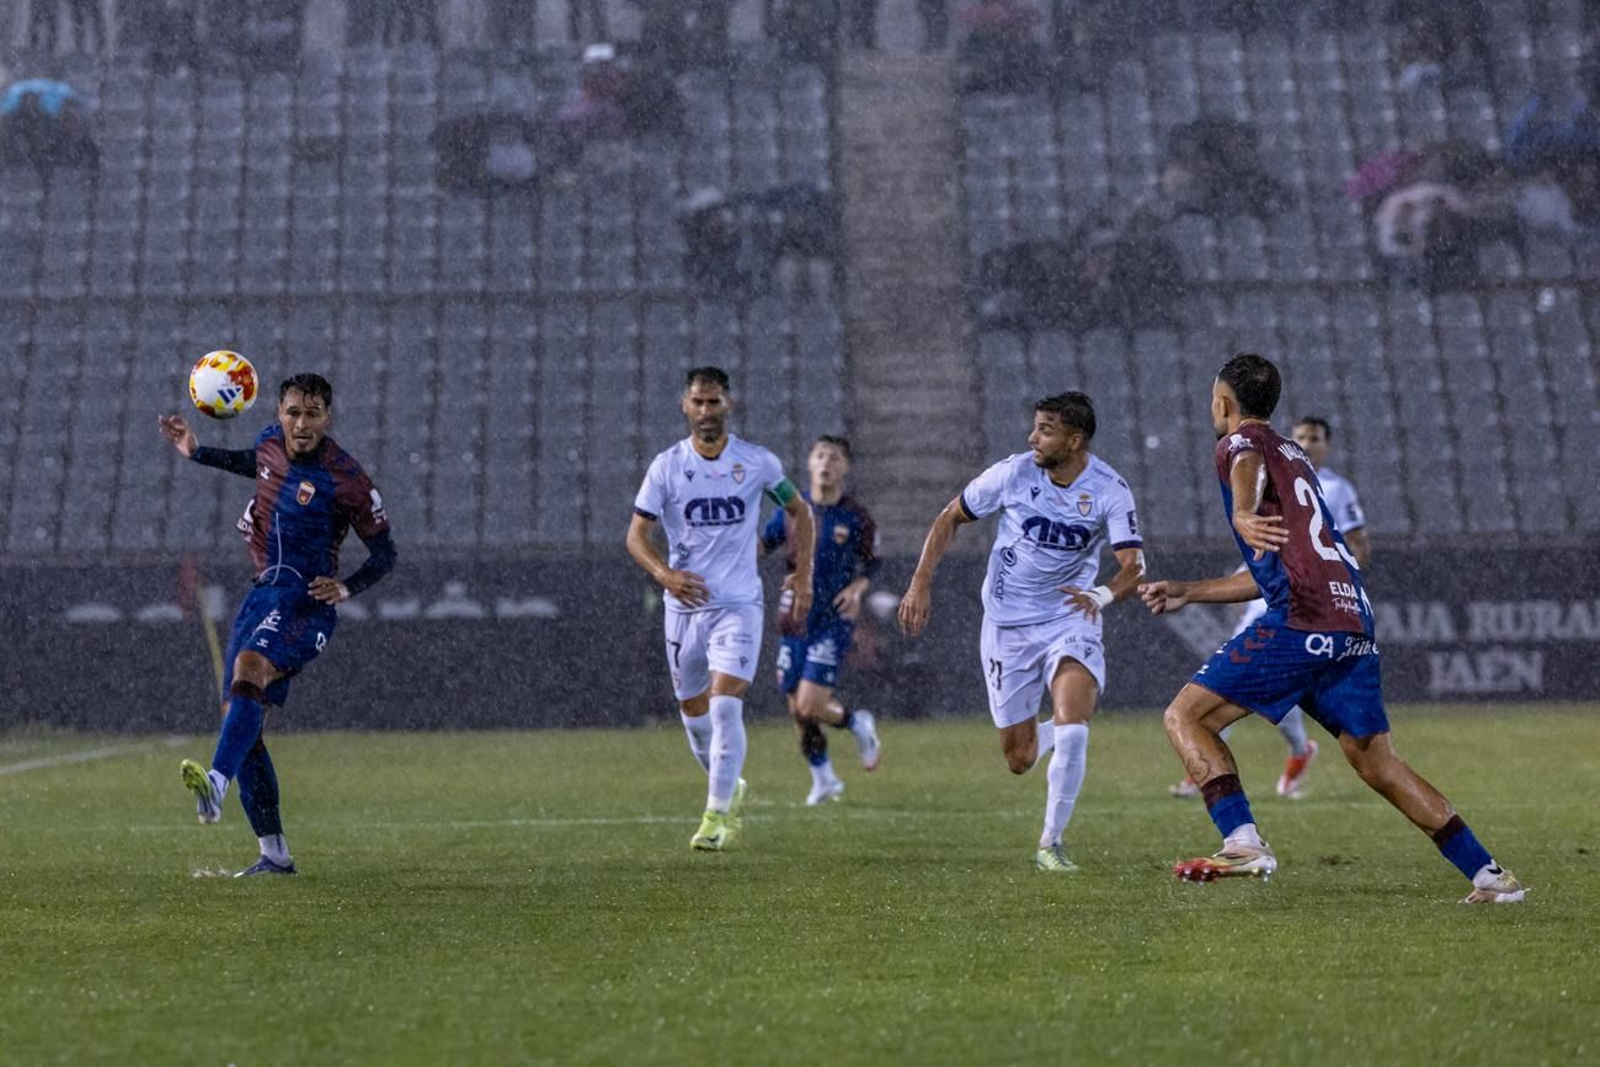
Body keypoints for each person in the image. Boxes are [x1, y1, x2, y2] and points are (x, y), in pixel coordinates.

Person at [1138, 353, 1524, 903]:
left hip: (1303, 619)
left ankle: (1243, 840)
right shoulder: (1298, 457)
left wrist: (1243, 509)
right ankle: (1491, 877)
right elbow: (1281, 570)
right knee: (1377, 762)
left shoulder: (1239, 445)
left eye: (1212, 398)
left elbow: (1245, 456)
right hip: (1350, 618)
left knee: (1186, 716)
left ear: (1223, 403)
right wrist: (1190, 590)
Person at [158, 374, 397, 877]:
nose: (301, 423)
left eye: (312, 414)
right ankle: (274, 854)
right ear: (280, 412)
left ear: (327, 417)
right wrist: (195, 450)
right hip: (261, 594)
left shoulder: (347, 478)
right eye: (293, 412)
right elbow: (253, 464)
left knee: (250, 668)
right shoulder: (269, 442)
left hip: (304, 600)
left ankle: (216, 785)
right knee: (241, 722)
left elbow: (386, 552)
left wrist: (348, 586)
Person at [898, 392, 1146, 871]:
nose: (1033, 438)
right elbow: (950, 516)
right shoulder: (1012, 473)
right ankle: (1053, 732)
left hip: (1069, 618)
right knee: (1019, 757)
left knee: (1074, 729)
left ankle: (1050, 842)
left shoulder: (1110, 489)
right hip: (1007, 625)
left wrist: (1101, 595)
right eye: (1035, 427)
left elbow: (1134, 566)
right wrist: (920, 583)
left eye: (1046, 430)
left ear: (1074, 440)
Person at [627, 367, 816, 851]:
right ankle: (728, 785)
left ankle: (715, 817)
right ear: (684, 406)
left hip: (738, 604)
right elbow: (636, 536)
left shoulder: (756, 463)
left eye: (714, 402)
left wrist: (800, 571)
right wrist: (665, 575)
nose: (706, 412)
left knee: (726, 704)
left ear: (729, 404)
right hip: (683, 607)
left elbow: (799, 511)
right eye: (698, 403)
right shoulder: (666, 467)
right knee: (694, 718)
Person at [1171, 415, 1371, 801]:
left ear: (1327, 445)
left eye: (1314, 438)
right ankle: (1209, 763)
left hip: (1313, 594)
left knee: (1263, 679)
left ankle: (1290, 751)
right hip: (1267, 586)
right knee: (1230, 675)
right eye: (1301, 436)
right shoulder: (1274, 467)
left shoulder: (1336, 488)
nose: (1307, 443)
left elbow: (1358, 542)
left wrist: (1343, 578)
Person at [762, 435, 882, 806]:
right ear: (810, 463)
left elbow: (873, 562)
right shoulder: (790, 511)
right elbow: (761, 546)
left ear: (845, 467)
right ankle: (824, 779)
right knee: (796, 708)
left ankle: (857, 723)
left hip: (833, 619)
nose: (826, 462)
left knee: (811, 705)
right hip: (795, 618)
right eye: (819, 455)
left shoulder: (856, 517)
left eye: (834, 457)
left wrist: (858, 588)